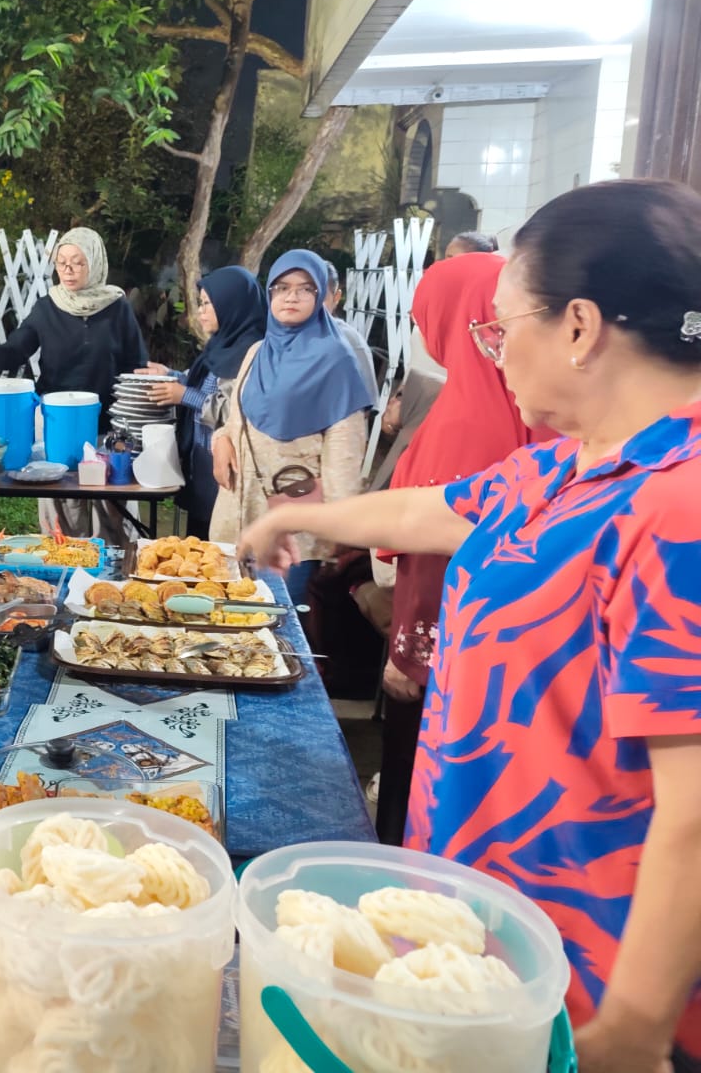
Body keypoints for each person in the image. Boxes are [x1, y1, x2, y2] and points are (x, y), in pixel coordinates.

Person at [238, 180, 701, 1073]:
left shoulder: (678, 506)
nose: (489, 353)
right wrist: (296, 520)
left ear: (579, 326)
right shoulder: (564, 467)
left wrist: (633, 1030)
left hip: (587, 991)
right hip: (477, 946)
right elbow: (433, 513)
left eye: (499, 328)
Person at [373, 250, 548, 845]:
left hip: (450, 654)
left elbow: (431, 548)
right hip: (517, 670)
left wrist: (408, 654)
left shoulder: (468, 414)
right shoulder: (535, 407)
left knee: (421, 797)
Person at [210, 249, 372, 605]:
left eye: (305, 288)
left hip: (294, 528)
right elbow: (235, 419)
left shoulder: (337, 361)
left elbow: (344, 460)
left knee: (278, 628)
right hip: (236, 513)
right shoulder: (257, 353)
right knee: (227, 624)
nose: (292, 297)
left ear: (320, 296)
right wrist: (220, 440)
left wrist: (336, 533)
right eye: (282, 288)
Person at [0, 227, 149, 542]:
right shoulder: (48, 306)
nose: (68, 271)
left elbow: (136, 364)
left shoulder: (117, 308)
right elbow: (18, 347)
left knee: (109, 507)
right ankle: (64, 573)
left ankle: (109, 577)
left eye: (78, 263)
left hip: (107, 427)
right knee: (61, 506)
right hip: (58, 423)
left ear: (95, 264)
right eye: (61, 263)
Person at [138, 266, 266, 540]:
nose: (201, 312)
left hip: (224, 467)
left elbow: (234, 410)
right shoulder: (223, 343)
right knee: (198, 539)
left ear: (231, 306)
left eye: (208, 304)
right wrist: (170, 375)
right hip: (202, 461)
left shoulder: (251, 353)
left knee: (217, 545)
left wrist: (183, 395)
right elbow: (206, 381)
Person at [323, 263, 378, 400]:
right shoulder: (276, 339)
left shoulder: (348, 341)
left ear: (336, 297)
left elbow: (364, 407)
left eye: (319, 296)